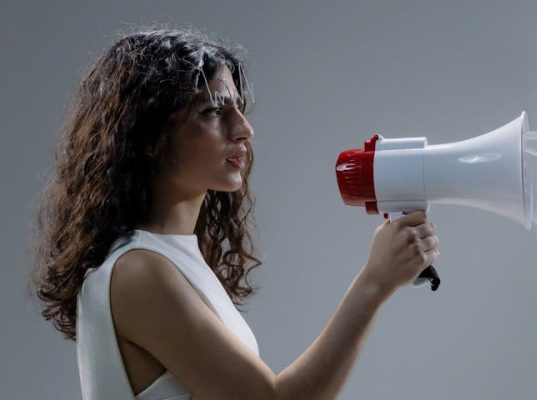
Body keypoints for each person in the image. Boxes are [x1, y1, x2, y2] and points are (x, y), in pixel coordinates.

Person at [31, 27, 440, 400]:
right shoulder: (138, 272)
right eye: (213, 111)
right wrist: (373, 283)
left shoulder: (169, 259)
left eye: (239, 109)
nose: (244, 128)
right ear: (149, 136)